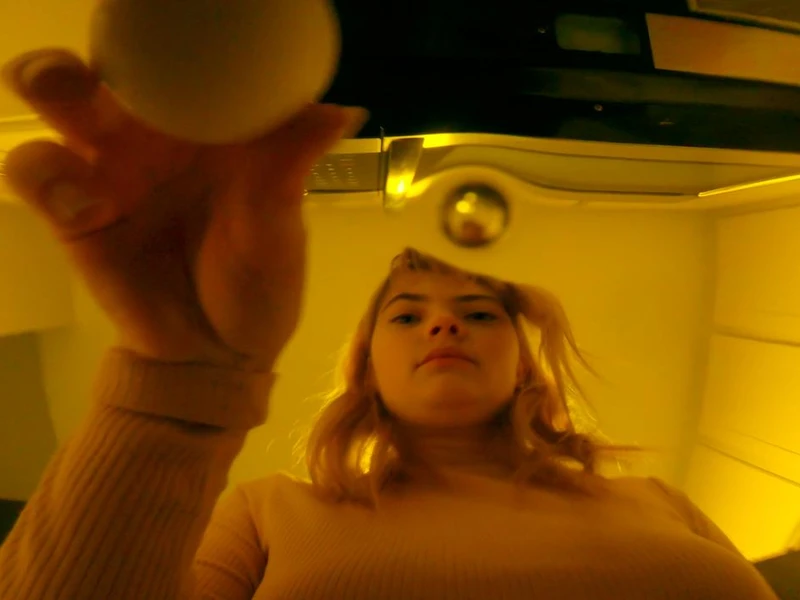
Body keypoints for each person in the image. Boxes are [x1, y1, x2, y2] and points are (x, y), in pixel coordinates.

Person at [0, 48, 779, 600]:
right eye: (408, 314)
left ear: (525, 362)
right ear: (366, 366)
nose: (444, 327)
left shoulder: (658, 502)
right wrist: (176, 376)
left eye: (478, 312)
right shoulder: (271, 511)